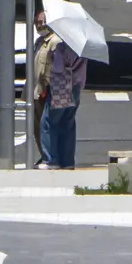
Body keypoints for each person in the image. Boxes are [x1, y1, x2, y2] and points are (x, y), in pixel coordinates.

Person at [37, 23, 86, 167]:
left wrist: (52, 59)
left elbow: (58, 68)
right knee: (68, 123)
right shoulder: (81, 48)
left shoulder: (61, 46)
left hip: (60, 88)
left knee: (48, 122)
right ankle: (68, 161)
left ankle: (51, 160)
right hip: (75, 88)